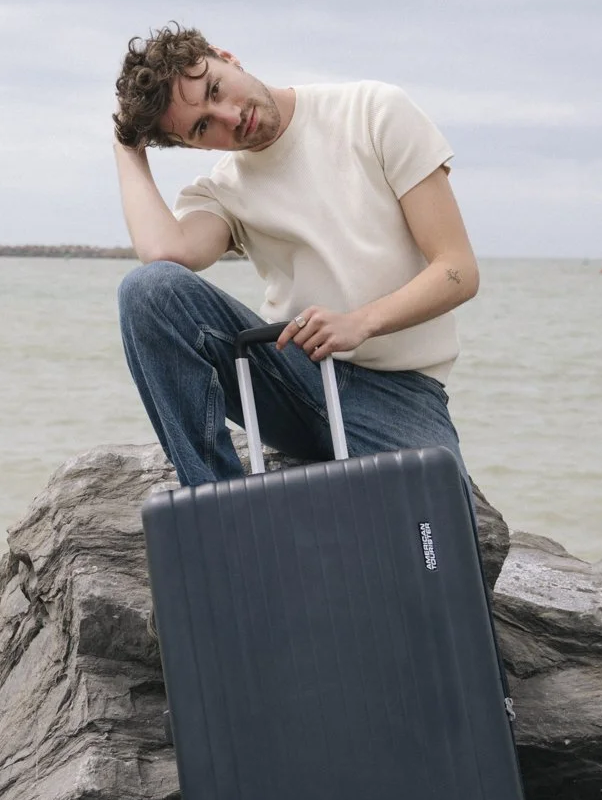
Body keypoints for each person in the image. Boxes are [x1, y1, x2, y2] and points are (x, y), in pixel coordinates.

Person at [111, 24, 480, 487]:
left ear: (225, 55)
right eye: (202, 127)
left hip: (400, 391)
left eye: (215, 89)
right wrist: (127, 146)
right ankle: (216, 504)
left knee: (439, 523)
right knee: (147, 291)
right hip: (290, 380)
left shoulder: (373, 112)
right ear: (192, 145)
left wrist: (360, 322)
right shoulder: (222, 189)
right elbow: (165, 253)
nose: (229, 116)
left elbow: (458, 269)